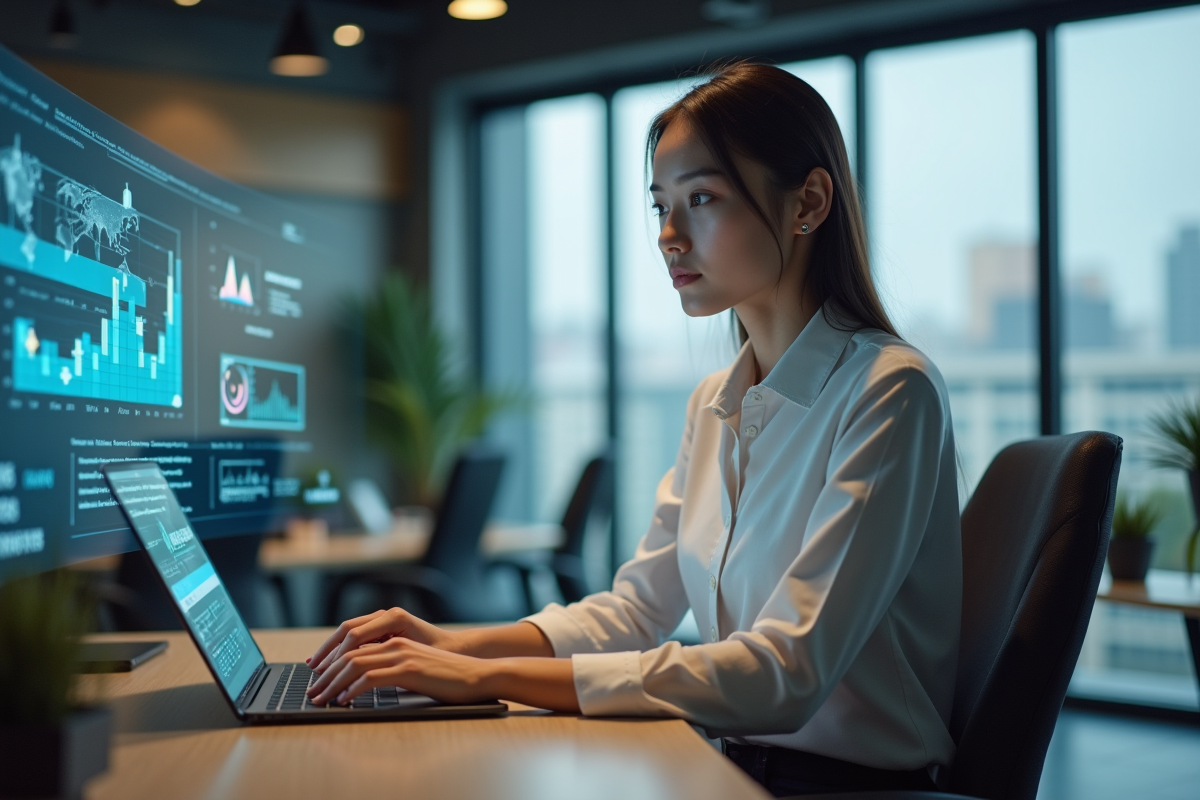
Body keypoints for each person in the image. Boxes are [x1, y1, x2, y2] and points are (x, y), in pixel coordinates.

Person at [306, 62, 961, 797]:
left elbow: (786, 674)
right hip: (729, 763)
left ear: (808, 201)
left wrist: (480, 676)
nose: (669, 237)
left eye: (702, 198)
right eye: (661, 207)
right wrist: (449, 645)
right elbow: (637, 610)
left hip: (845, 786)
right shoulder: (716, 402)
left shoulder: (889, 392)